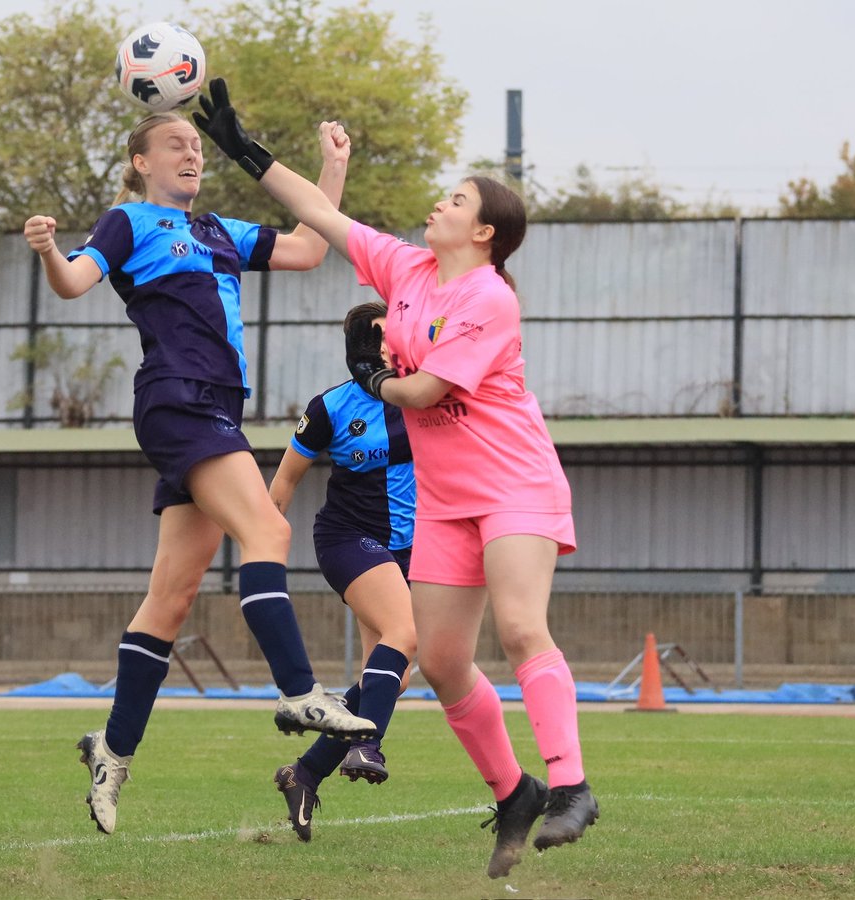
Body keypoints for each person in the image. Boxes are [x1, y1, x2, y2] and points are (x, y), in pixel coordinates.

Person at [193, 79, 599, 878]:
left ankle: (572, 786)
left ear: (483, 231)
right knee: (439, 661)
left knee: (521, 628)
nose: (438, 204)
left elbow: (424, 391)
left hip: (514, 483)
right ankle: (514, 792)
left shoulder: (488, 298)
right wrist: (248, 154)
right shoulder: (409, 270)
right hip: (446, 501)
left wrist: (375, 378)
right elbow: (321, 215)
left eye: (456, 199)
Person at [22, 110, 378, 836]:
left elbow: (311, 247)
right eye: (174, 145)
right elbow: (73, 283)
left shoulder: (218, 229)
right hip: (178, 400)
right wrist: (51, 251)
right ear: (140, 161)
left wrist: (333, 165)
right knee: (267, 529)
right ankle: (299, 691)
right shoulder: (127, 221)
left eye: (195, 146)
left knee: (172, 598)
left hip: (214, 408)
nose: (191, 154)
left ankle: (112, 750)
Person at [268, 300, 416, 842]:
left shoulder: (421, 398)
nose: (390, 346)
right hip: (348, 539)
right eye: (380, 337)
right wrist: (262, 557)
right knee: (404, 633)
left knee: (393, 676)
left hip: (409, 550)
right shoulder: (330, 407)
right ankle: (367, 746)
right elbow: (284, 482)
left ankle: (304, 773)